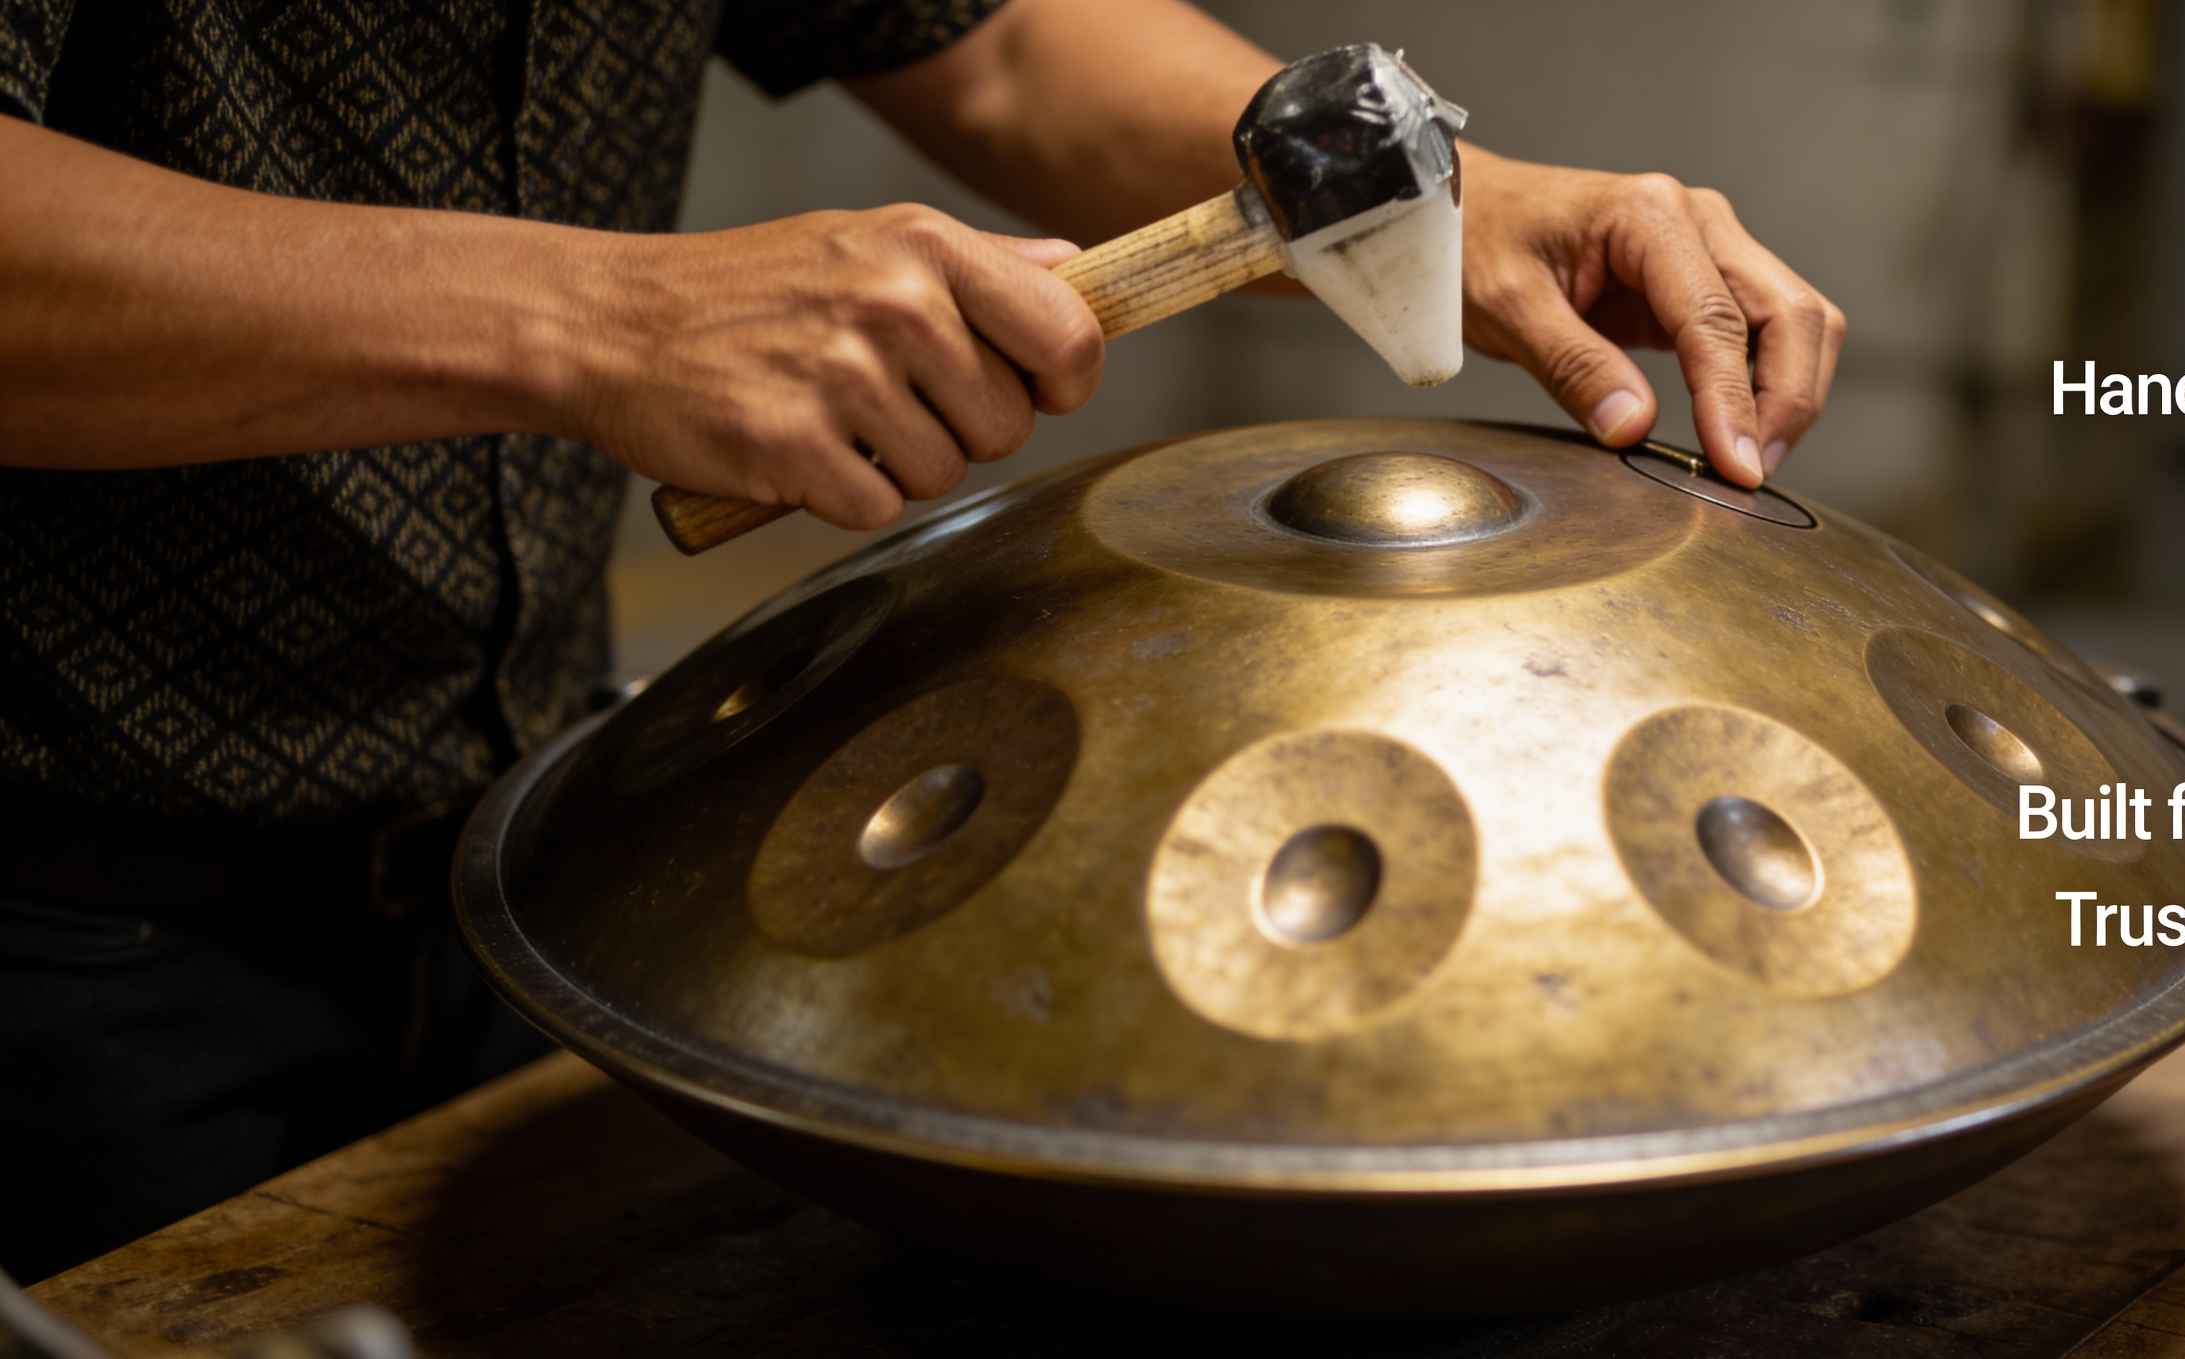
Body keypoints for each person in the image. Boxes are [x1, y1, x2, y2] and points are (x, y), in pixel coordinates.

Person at [0, 0, 1843, 1280]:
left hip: (525, 847)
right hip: (57, 911)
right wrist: (594, 323)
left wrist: (1431, 177)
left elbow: (1005, 43)